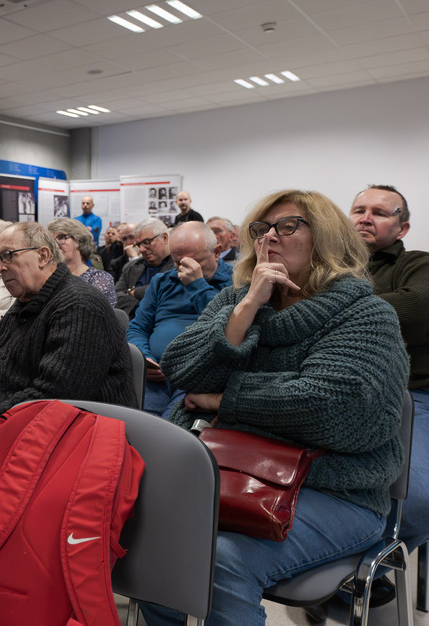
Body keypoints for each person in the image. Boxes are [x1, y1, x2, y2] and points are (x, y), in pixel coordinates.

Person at [140, 190, 408, 626]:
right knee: (152, 542)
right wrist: (247, 307)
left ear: (325, 237)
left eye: (288, 226)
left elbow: (331, 407)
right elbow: (183, 369)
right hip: (228, 476)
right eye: (262, 229)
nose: (271, 238)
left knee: (218, 558)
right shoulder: (236, 300)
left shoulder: (365, 314)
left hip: (334, 490)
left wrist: (227, 399)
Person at [0, 222, 134, 445]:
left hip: (75, 445)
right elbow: (0, 380)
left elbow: (54, 400)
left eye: (7, 255)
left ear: (43, 256)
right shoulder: (26, 302)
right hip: (25, 433)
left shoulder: (79, 306)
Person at [349, 184, 429, 581]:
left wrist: (329, 307)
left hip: (410, 396)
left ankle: (359, 576)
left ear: (403, 227)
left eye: (379, 212)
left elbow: (415, 311)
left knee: (416, 501)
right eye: (358, 209)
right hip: (341, 392)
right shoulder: (329, 266)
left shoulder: (417, 263)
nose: (365, 217)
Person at [126, 221, 233, 416]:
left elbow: (226, 329)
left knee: (169, 431)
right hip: (156, 377)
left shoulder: (234, 283)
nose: (184, 269)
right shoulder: (163, 281)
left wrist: (197, 285)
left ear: (216, 252)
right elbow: (138, 328)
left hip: (198, 379)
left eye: (194, 262)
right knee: (132, 423)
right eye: (178, 262)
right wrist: (144, 358)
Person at [48, 218, 116, 307]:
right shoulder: (47, 276)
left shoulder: (99, 279)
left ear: (80, 241)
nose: (56, 246)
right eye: (52, 241)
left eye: (61, 238)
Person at [115, 218, 174, 317]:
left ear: (164, 238)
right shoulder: (131, 267)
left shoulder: (180, 265)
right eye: (138, 245)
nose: (142, 249)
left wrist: (134, 292)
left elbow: (169, 294)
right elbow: (115, 296)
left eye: (147, 242)